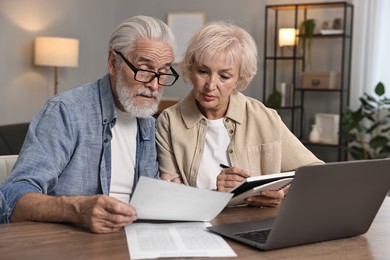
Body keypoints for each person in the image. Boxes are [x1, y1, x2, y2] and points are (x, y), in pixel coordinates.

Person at [0, 15, 179, 233]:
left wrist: (165, 193)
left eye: (163, 73)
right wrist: (78, 209)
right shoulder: (65, 111)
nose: (154, 85)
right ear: (113, 63)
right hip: (70, 246)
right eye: (144, 69)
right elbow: (13, 197)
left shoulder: (150, 125)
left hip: (134, 242)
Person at [156, 21, 323, 207]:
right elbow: (171, 196)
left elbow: (316, 172)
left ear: (239, 78)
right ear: (190, 69)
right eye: (203, 71)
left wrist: (282, 192)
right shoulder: (169, 122)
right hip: (196, 228)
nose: (210, 85)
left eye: (224, 76)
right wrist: (217, 196)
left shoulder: (265, 118)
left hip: (255, 224)